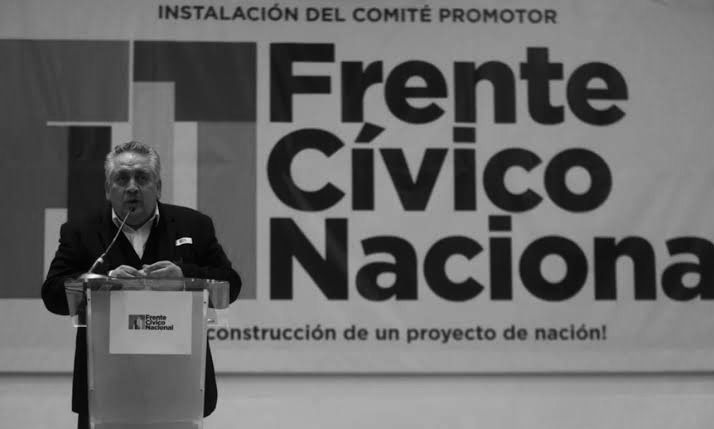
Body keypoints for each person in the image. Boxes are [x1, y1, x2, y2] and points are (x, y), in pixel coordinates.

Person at [41, 141, 241, 428]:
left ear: (158, 187)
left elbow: (230, 285)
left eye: (142, 178)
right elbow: (52, 294)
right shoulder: (81, 231)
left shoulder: (194, 225)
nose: (132, 187)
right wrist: (101, 282)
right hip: (104, 386)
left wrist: (184, 277)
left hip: (178, 385)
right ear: (108, 189)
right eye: (122, 178)